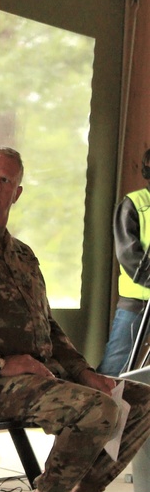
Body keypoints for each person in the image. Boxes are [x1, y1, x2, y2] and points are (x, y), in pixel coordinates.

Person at [0, 144, 150, 492]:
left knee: (137, 401)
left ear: (16, 193)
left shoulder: (23, 256)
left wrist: (85, 372)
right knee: (96, 410)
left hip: (36, 376)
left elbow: (49, 327)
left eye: (5, 181)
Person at [97, 148, 150, 376]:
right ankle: (100, 407)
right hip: (137, 303)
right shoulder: (134, 204)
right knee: (114, 367)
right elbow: (129, 256)